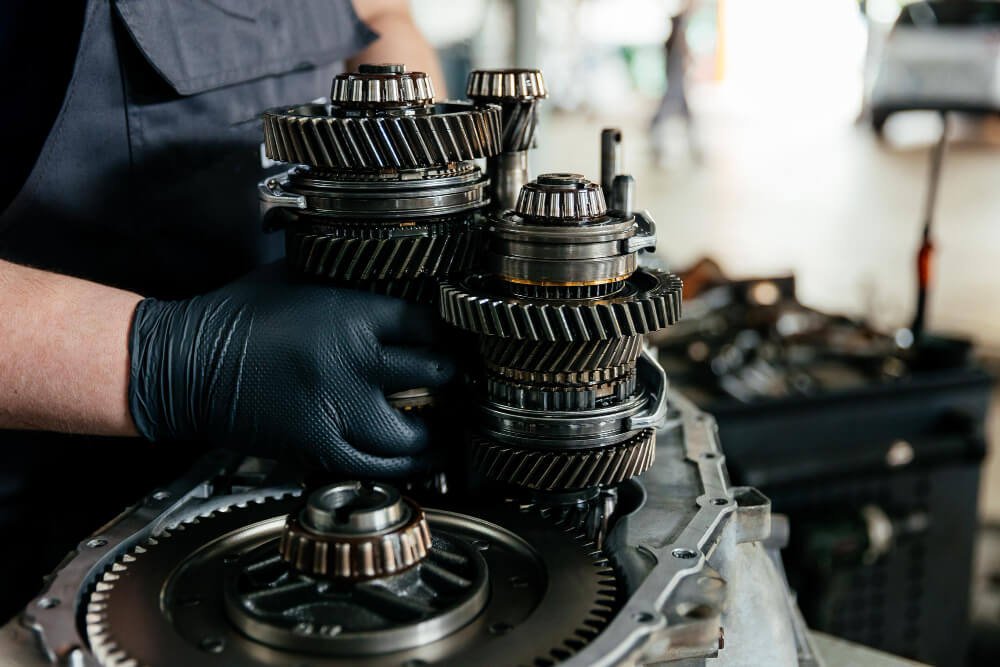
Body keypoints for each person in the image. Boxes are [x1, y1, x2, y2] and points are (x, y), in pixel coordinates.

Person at [0, 0, 451, 619]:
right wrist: (173, 359)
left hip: (293, 459)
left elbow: (384, 15)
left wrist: (410, 196)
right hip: (44, 535)